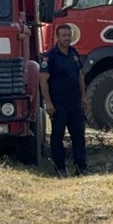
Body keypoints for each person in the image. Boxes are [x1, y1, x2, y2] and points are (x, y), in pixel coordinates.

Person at [40, 24, 89, 177]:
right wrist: (48, 102)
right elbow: (43, 80)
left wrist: (84, 96)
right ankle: (60, 167)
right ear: (57, 37)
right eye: (64, 35)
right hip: (58, 104)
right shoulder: (50, 56)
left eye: (69, 35)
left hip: (74, 103)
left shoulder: (74, 53)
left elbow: (80, 75)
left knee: (78, 135)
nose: (67, 38)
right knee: (57, 136)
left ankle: (81, 168)